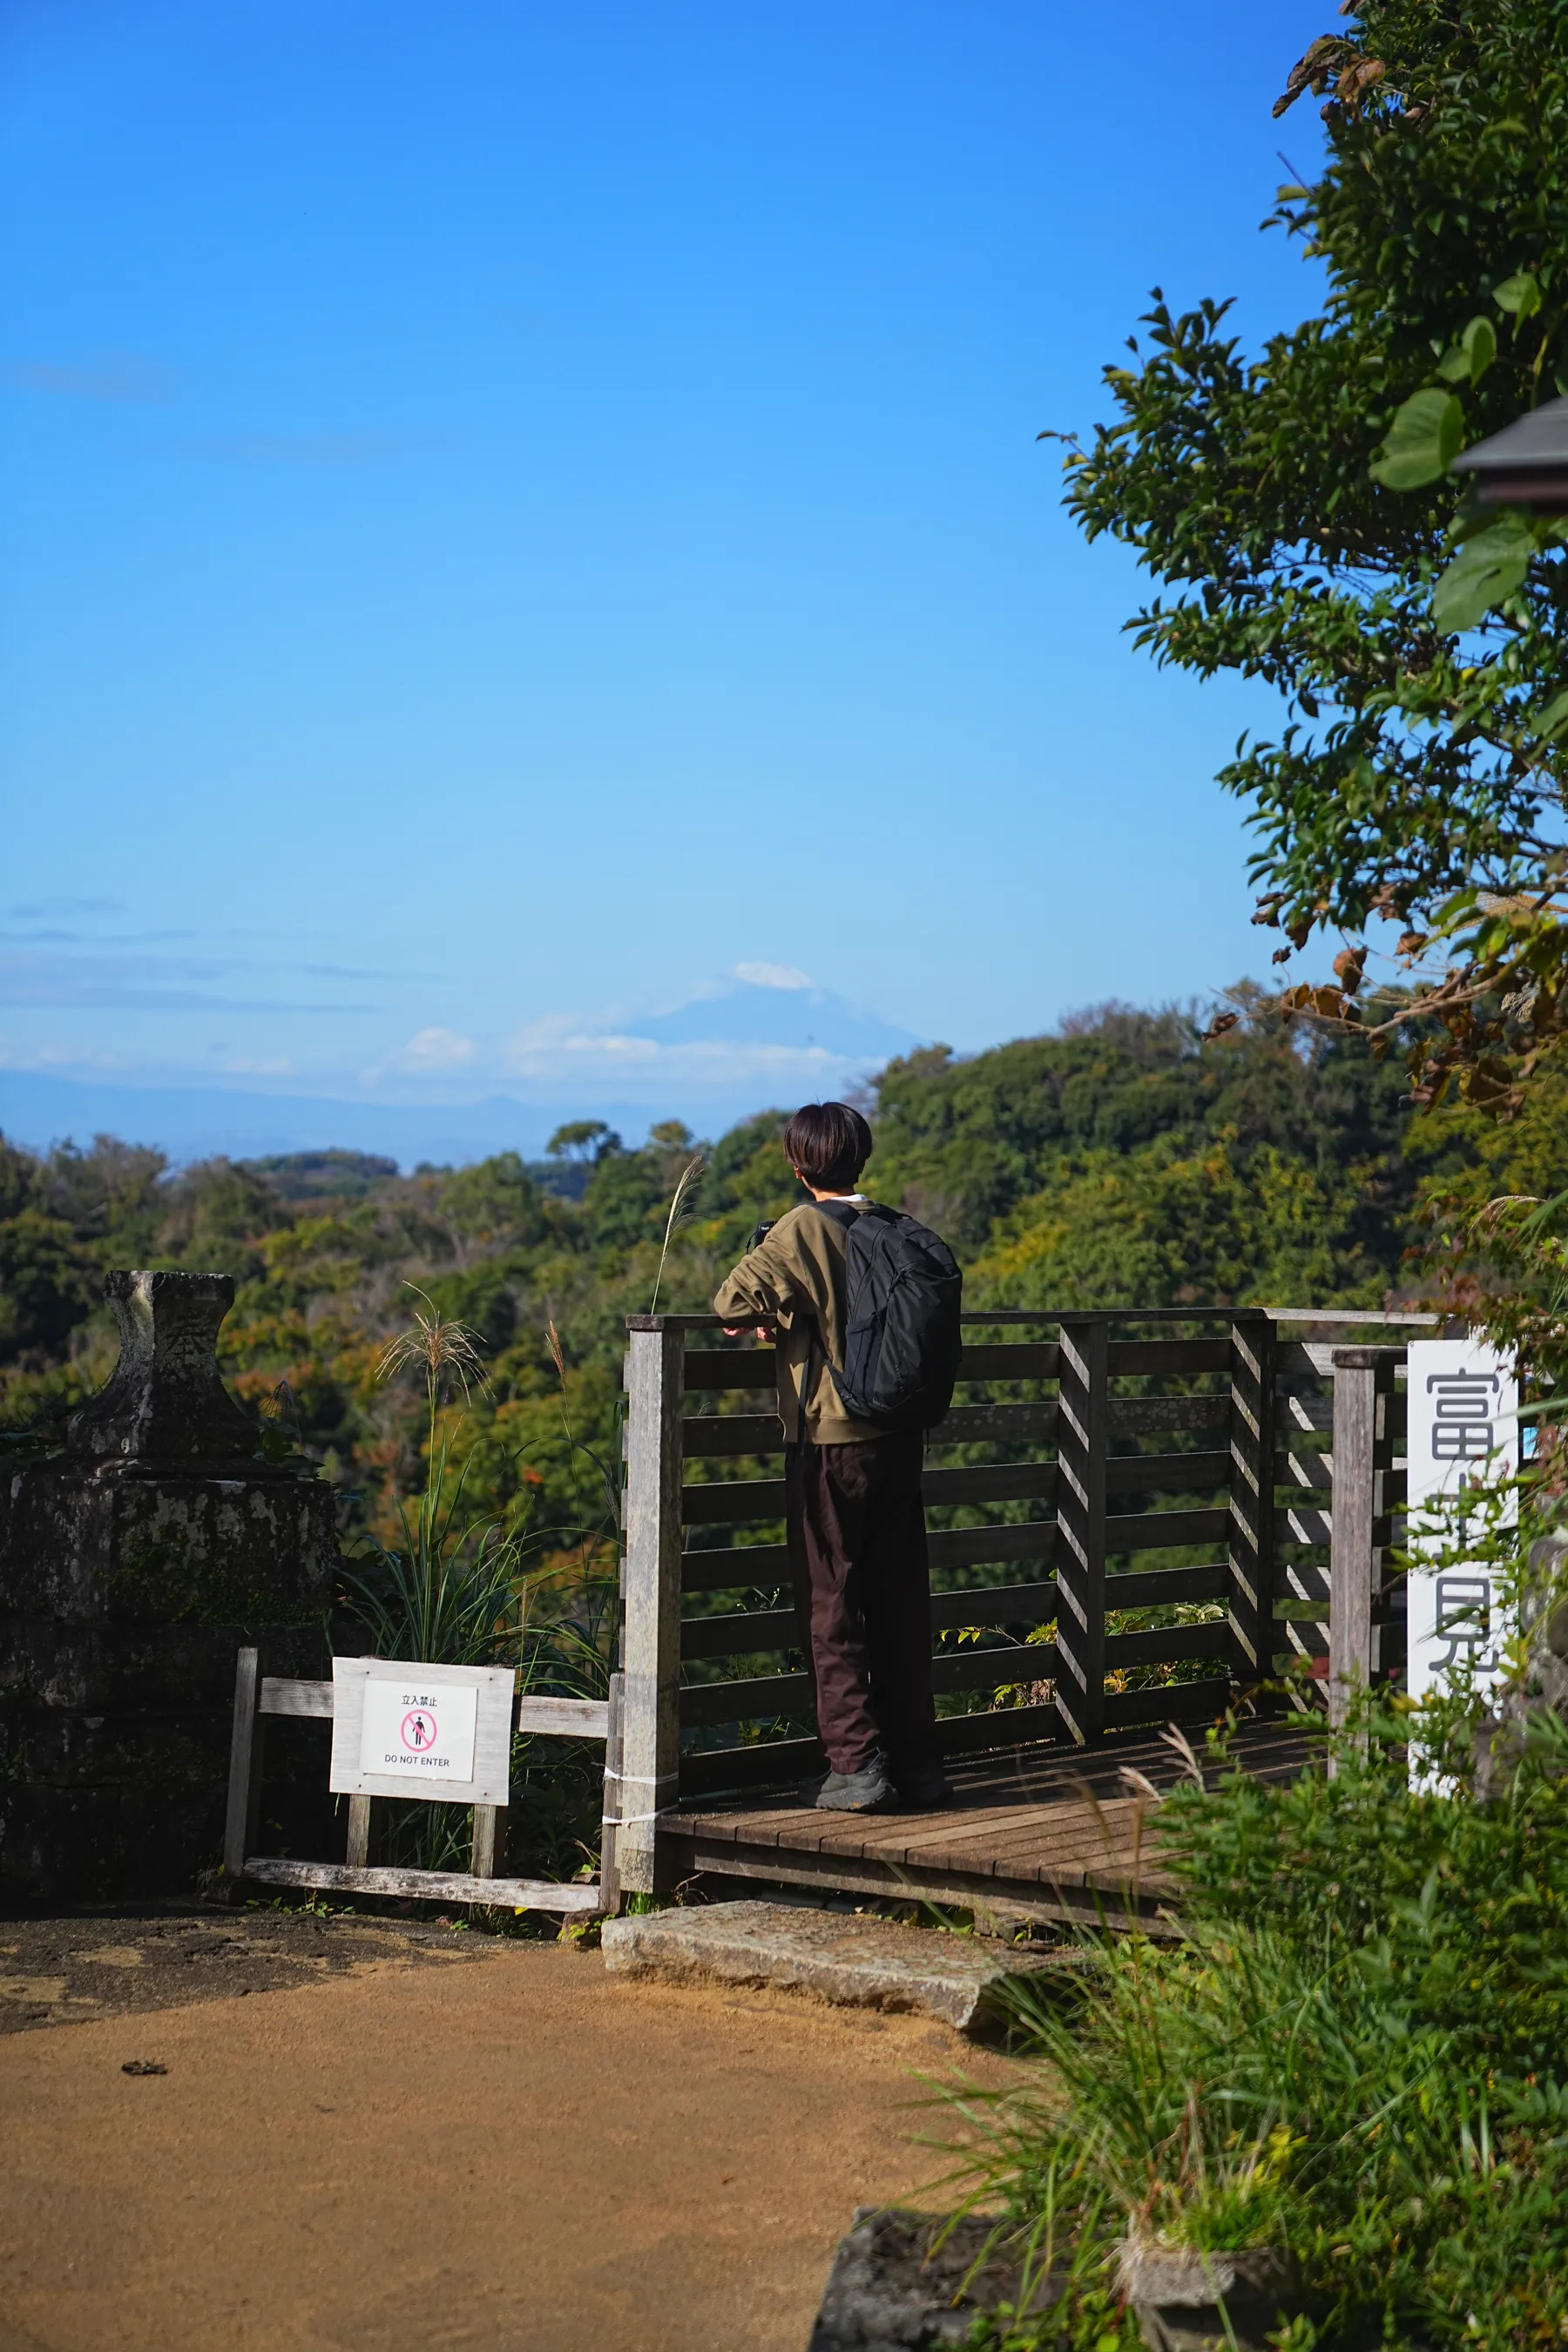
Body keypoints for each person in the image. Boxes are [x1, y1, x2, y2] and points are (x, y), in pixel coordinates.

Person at [712, 1100, 949, 1814]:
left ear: (796, 1162)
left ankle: (856, 1766)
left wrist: (772, 1313)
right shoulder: (894, 1227)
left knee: (830, 1601)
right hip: (899, 1441)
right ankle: (919, 1766)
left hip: (830, 1445)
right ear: (861, 1159)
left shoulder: (804, 1227)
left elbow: (729, 1301)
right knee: (900, 1602)